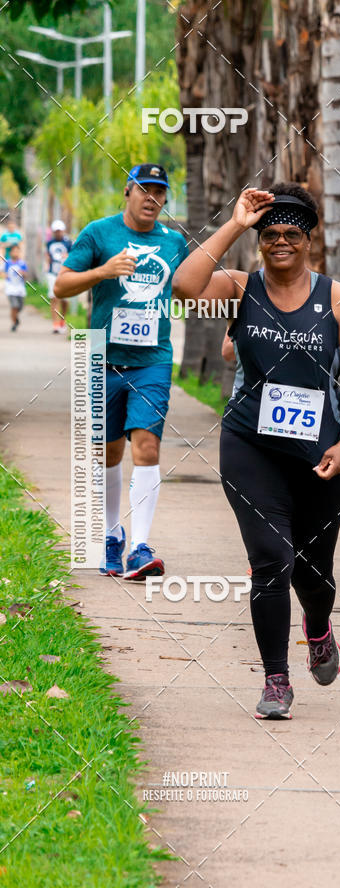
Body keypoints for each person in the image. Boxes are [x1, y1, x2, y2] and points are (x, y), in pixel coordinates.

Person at [173, 183, 340, 720]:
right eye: (269, 234)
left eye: (291, 233)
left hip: (320, 453)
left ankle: (319, 627)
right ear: (259, 240)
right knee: (271, 561)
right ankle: (276, 679)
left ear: (309, 241)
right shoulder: (239, 288)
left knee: (313, 572)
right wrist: (236, 222)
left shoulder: (337, 299)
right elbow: (185, 287)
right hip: (250, 446)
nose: (280, 241)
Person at [54, 163, 188, 580]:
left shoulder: (174, 241)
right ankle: (112, 534)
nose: (152, 198)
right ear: (128, 191)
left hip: (153, 359)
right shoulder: (99, 233)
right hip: (100, 357)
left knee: (146, 445)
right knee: (108, 453)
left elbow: (190, 287)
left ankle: (141, 547)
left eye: (159, 192)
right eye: (144, 189)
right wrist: (103, 272)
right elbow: (61, 285)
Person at [46, 219, 72, 334]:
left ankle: (62, 320)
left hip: (65, 274)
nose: (58, 233)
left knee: (65, 300)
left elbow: (73, 255)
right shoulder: (49, 243)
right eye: (56, 231)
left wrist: (68, 256)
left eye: (60, 231)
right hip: (52, 273)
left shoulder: (68, 243)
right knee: (54, 298)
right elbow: (48, 255)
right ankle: (55, 324)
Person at [2, 243, 27, 331]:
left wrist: (23, 273)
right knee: (14, 305)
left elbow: (25, 274)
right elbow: (3, 272)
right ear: (10, 253)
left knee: (20, 306)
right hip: (10, 288)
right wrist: (5, 275)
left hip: (20, 288)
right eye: (14, 251)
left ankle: (15, 317)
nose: (15, 253)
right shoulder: (7, 263)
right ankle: (15, 322)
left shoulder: (22, 263)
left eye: (17, 251)